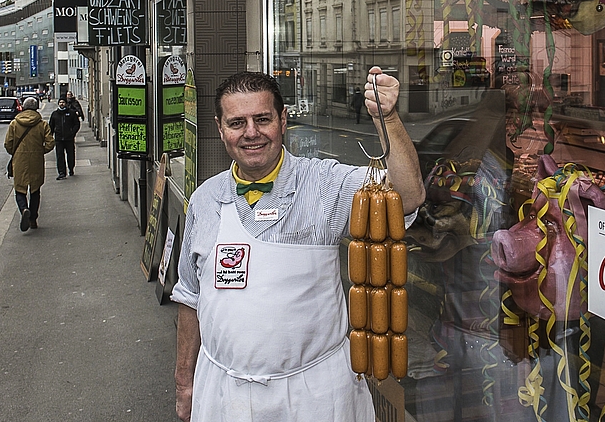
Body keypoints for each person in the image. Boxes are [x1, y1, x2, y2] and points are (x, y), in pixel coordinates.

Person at [172, 66, 425, 422]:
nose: (251, 133)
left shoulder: (323, 184)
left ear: (283, 120)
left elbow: (409, 196)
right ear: (220, 129)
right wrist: (185, 382)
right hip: (223, 393)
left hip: (316, 395)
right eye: (237, 123)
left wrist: (389, 120)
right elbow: (190, 297)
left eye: (263, 119)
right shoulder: (203, 200)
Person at [4, 97, 55, 231]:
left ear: (23, 108)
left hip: (19, 160)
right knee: (35, 189)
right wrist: (40, 151)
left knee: (20, 189)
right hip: (36, 160)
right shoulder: (42, 124)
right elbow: (50, 143)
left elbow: (8, 144)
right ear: (36, 108)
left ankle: (23, 209)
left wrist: (15, 153)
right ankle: (33, 219)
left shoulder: (14, 123)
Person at [49, 97, 80, 179]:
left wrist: (72, 132)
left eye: (63, 102)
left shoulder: (71, 113)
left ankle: (71, 168)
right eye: (60, 102)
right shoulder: (55, 114)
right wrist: (50, 136)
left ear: (66, 103)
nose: (61, 104)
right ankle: (62, 172)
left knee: (70, 155)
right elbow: (51, 126)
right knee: (59, 156)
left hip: (69, 138)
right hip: (59, 139)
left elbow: (77, 124)